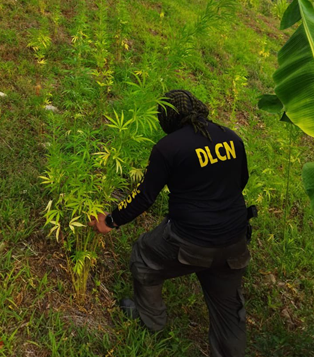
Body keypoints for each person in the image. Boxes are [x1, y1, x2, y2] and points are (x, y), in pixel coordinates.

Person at [89, 89, 252, 357]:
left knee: (143, 255)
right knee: (228, 311)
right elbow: (241, 181)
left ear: (168, 117)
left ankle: (150, 319)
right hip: (235, 240)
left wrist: (110, 220)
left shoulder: (168, 147)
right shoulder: (231, 137)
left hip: (190, 241)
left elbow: (144, 197)